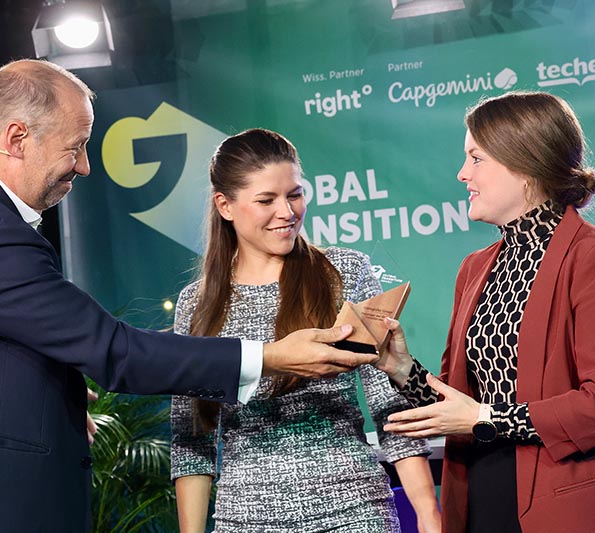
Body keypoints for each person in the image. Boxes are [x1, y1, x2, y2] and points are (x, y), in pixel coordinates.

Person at [0, 60, 377, 533]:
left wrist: (47, 396)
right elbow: (115, 351)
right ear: (17, 138)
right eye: (76, 146)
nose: (84, 166)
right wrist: (269, 357)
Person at [376, 91, 595, 533]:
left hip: (573, 505)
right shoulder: (475, 268)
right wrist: (401, 369)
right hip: (484, 495)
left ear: (525, 163)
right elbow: (461, 409)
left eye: (476, 158)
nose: (462, 174)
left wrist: (485, 419)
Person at [170, 128, 442, 533]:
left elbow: (389, 403)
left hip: (355, 511)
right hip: (245, 520)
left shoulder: (345, 272)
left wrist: (428, 514)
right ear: (225, 205)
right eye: (266, 200)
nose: (287, 211)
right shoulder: (197, 304)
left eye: (295, 195)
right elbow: (193, 438)